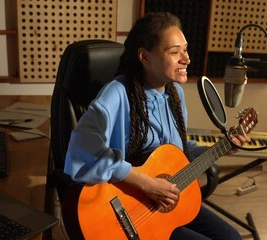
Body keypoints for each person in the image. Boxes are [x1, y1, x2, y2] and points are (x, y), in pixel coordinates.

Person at [64, 12, 248, 240]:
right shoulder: (118, 94)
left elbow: (176, 153)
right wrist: (147, 184)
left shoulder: (175, 95)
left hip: (162, 205)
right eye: (174, 52)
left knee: (233, 238)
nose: (187, 59)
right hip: (128, 209)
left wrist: (220, 149)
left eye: (185, 49)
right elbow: (83, 147)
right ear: (145, 56)